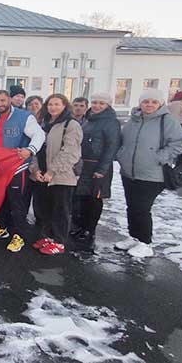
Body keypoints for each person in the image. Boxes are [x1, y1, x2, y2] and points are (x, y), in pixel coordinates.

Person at [115, 88, 182, 258]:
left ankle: (145, 243)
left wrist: (159, 157)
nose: (149, 105)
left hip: (153, 174)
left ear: (160, 103)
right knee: (132, 206)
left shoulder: (167, 121)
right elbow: (123, 140)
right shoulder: (134, 120)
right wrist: (121, 154)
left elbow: (179, 143)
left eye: (154, 102)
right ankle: (134, 237)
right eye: (146, 101)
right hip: (130, 172)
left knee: (142, 208)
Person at [0, 90, 45, 253]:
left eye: (3, 100)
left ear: (9, 99)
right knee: (1, 199)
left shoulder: (24, 117)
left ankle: (19, 236)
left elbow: (39, 134)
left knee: (17, 203)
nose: (0, 104)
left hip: (17, 168)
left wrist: (30, 150)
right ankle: (1, 227)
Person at [30, 94, 83, 256]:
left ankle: (59, 241)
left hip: (61, 176)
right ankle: (49, 237)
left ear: (65, 106)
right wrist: (35, 169)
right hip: (42, 174)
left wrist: (52, 171)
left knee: (61, 209)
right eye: (50, 104)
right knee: (44, 208)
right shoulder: (44, 124)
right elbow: (36, 149)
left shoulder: (71, 125)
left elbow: (70, 152)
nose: (53, 107)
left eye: (57, 104)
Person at [69, 92, 121, 252]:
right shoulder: (88, 119)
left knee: (94, 200)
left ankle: (90, 229)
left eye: (102, 103)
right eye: (95, 102)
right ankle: (80, 226)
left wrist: (102, 169)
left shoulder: (111, 122)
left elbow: (112, 146)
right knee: (82, 197)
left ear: (108, 105)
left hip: (98, 166)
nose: (97, 106)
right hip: (84, 164)